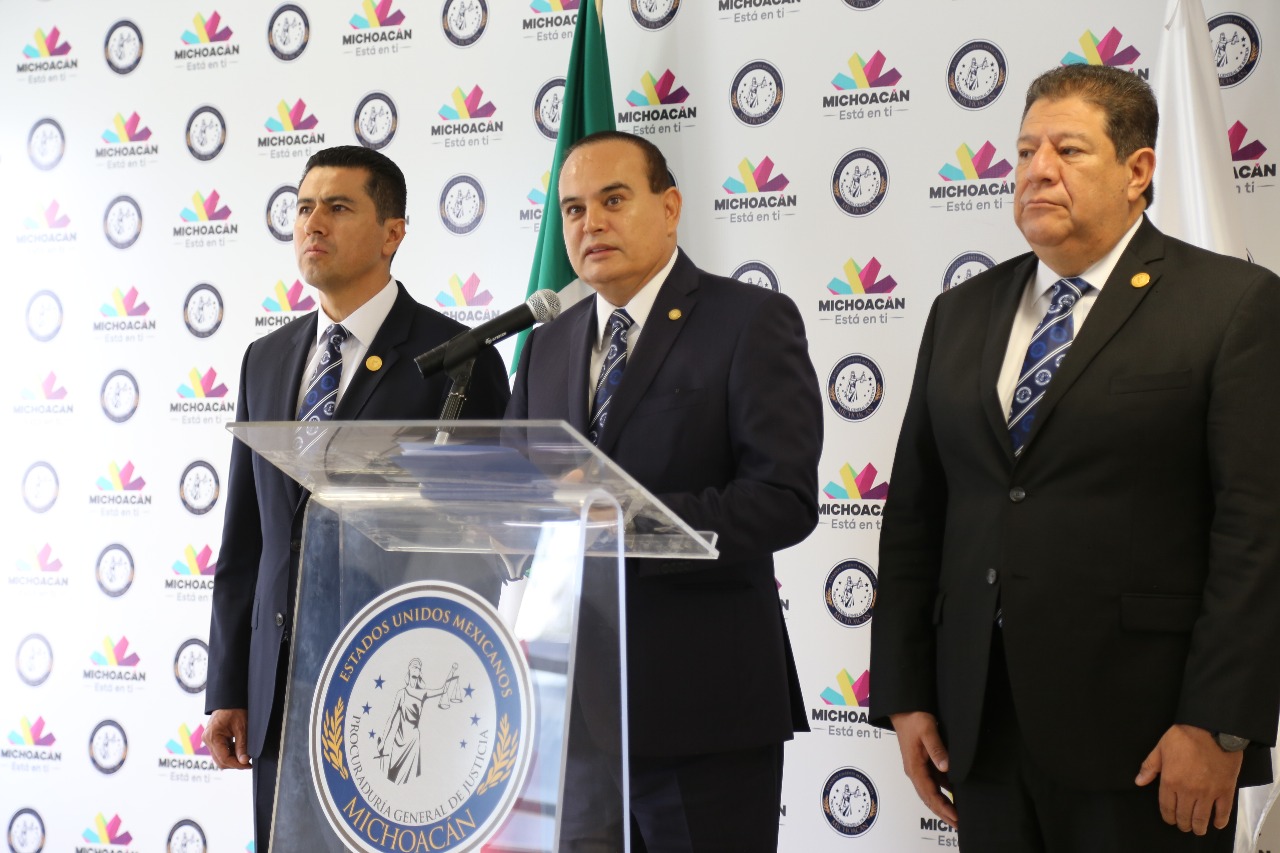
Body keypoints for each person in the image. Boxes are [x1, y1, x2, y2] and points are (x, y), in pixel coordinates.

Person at [869, 64, 1280, 852]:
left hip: (1150, 740)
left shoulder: (1230, 305)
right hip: (980, 727)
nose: (1038, 170)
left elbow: (1257, 532)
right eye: (1026, 151)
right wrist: (906, 691)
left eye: (1068, 150)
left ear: (1138, 170)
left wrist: (1218, 724)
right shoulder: (959, 312)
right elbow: (917, 515)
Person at [507, 130, 822, 852]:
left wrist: (625, 518)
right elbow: (528, 496)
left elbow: (783, 497)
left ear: (670, 206)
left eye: (614, 199)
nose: (591, 223)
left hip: (701, 710)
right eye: (574, 209)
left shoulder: (748, 321)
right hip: (568, 718)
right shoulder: (547, 344)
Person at [204, 145, 510, 850]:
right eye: (304, 207)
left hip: (397, 680)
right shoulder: (265, 358)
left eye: (338, 207)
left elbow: (481, 546)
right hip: (280, 686)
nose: (313, 223)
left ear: (392, 233)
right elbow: (246, 536)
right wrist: (229, 684)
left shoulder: (458, 359)